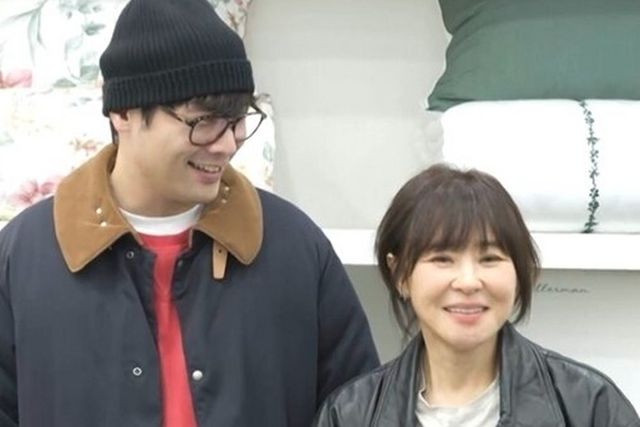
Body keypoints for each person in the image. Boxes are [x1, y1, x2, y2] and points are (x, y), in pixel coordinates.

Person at [0, 0, 379, 425]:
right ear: (123, 112)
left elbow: (360, 410)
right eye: (203, 121)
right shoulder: (25, 256)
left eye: (237, 120)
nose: (227, 144)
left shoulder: (294, 247)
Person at [314, 164, 640, 426]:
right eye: (442, 259)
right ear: (400, 274)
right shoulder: (349, 415)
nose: (468, 281)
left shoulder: (589, 406)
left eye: (490, 258)